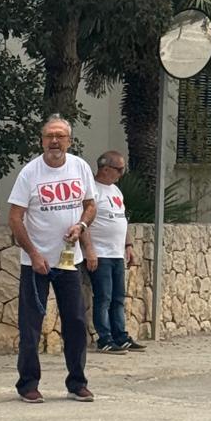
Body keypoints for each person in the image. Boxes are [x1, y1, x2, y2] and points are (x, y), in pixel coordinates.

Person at [8, 117, 98, 403]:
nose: (55, 142)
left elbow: (90, 205)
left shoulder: (80, 167)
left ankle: (77, 382)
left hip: (69, 261)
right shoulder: (30, 173)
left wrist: (81, 227)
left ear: (69, 140)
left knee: (75, 321)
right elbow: (15, 217)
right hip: (36, 262)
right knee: (31, 325)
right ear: (42, 140)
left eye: (60, 136)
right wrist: (33, 253)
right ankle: (28, 384)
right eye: (49, 136)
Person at [84, 150, 144, 353]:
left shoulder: (116, 191)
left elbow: (122, 219)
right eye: (119, 169)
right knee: (104, 298)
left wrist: (128, 246)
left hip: (117, 253)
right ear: (106, 168)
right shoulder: (92, 190)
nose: (121, 174)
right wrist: (90, 250)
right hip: (100, 253)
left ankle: (121, 335)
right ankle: (105, 338)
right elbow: (84, 222)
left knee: (118, 297)